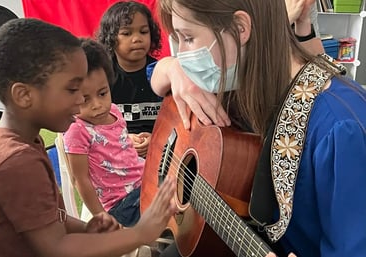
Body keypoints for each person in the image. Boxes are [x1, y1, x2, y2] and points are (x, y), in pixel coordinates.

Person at [150, 0, 366, 257]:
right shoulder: (238, 82)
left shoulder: (340, 129)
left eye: (187, 38)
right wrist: (171, 69)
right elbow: (155, 78)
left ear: (241, 28)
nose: (183, 57)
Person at [0, 18, 177, 257]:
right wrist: (139, 234)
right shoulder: (18, 161)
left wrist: (86, 228)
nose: (81, 101)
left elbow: (48, 217)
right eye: (72, 90)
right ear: (24, 95)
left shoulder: (16, 140)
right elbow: (56, 248)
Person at [63, 38, 145, 228]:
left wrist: (130, 139)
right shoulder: (77, 130)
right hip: (121, 206)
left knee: (181, 181)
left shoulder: (114, 110)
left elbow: (115, 142)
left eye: (102, 93)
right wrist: (102, 218)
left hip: (143, 181)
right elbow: (80, 179)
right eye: (85, 99)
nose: (97, 105)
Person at [97, 1, 163, 158]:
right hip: (113, 153)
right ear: (111, 38)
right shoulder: (102, 76)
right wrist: (123, 139)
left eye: (143, 32)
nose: (137, 39)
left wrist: (156, 139)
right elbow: (90, 122)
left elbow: (178, 122)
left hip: (162, 154)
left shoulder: (163, 73)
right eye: (127, 33)